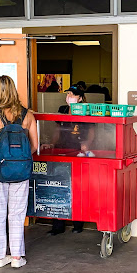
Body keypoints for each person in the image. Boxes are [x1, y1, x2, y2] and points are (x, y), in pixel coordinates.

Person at [0, 75, 38, 268]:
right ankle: (16, 257)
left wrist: (0, 160)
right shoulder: (28, 115)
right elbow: (34, 146)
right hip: (21, 167)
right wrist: (18, 159)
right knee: (17, 212)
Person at [44, 85, 94, 235]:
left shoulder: (87, 110)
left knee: (77, 187)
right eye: (68, 94)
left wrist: (86, 146)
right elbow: (57, 131)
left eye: (72, 94)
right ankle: (57, 225)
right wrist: (52, 144)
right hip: (62, 151)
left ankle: (78, 223)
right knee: (58, 187)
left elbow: (91, 133)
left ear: (80, 98)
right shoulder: (63, 109)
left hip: (78, 153)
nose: (69, 96)